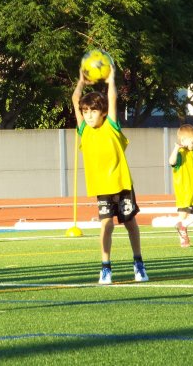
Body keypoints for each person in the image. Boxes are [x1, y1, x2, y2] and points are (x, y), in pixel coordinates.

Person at [72, 64, 149, 285]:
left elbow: (112, 98)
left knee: (130, 222)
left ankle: (138, 262)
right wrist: (81, 80)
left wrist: (111, 79)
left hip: (122, 183)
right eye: (85, 111)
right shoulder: (84, 130)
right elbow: (75, 99)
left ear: (103, 112)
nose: (88, 115)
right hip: (102, 187)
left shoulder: (111, 126)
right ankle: (105, 267)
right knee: (106, 225)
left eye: (93, 111)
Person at [168, 124, 193, 248]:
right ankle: (183, 237)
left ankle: (182, 225)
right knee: (183, 215)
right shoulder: (180, 153)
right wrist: (177, 148)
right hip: (184, 191)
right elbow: (171, 162)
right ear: (183, 141)